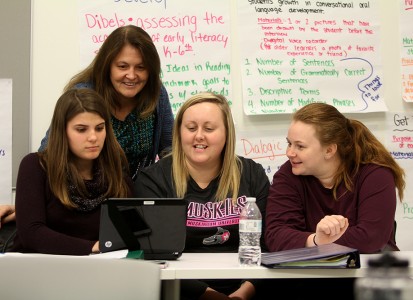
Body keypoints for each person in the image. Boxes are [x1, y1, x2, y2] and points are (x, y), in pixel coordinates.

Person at [263, 102, 406, 300]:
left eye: (300, 146)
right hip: (308, 281)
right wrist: (316, 240)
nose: (290, 153)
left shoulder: (375, 174)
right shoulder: (289, 174)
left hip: (367, 281)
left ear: (329, 150)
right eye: (289, 143)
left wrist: (318, 243)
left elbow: (372, 237)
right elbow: (275, 234)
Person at [134, 92, 269, 300]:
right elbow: (153, 254)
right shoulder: (153, 181)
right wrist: (209, 296)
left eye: (209, 128)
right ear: (179, 132)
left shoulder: (252, 174)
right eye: (191, 128)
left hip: (246, 291)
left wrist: (244, 294)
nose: (199, 136)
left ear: (227, 133)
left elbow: (268, 244)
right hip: (179, 292)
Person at [40, 24, 174, 180]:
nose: (131, 75)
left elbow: (170, 150)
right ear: (107, 65)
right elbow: (49, 152)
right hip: (84, 195)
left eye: (140, 67)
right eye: (122, 66)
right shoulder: (83, 94)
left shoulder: (156, 93)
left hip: (137, 195)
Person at [11, 88, 134, 255]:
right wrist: (92, 247)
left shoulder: (118, 177)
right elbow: (32, 234)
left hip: (97, 272)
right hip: (38, 271)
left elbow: (132, 234)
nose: (93, 137)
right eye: (81, 129)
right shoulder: (36, 166)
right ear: (63, 131)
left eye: (99, 128)